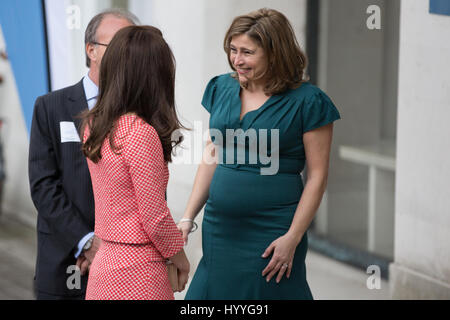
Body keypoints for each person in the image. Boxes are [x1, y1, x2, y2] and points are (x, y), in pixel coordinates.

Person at [180, 8, 341, 299]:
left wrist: (292, 238)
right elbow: (212, 154)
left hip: (275, 230)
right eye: (232, 50)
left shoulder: (308, 102)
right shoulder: (221, 88)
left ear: (274, 53)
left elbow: (318, 176)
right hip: (220, 228)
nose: (237, 60)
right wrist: (188, 217)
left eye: (247, 52)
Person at [28, 9, 139, 300]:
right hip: (64, 261)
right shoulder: (50, 107)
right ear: (91, 50)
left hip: (123, 264)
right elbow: (43, 186)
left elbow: (146, 190)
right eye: (117, 44)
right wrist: (88, 242)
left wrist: (115, 249)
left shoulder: (140, 113)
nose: (126, 54)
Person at [81, 25, 190, 300]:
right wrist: (180, 259)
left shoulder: (94, 124)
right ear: (155, 76)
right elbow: (155, 218)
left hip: (104, 260)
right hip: (138, 269)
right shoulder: (139, 132)